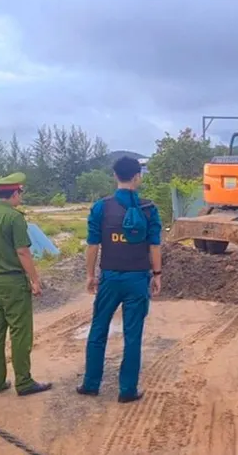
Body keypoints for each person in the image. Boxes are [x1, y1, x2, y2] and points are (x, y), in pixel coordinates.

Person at [77, 156, 163, 403]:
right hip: (138, 279)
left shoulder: (101, 208)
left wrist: (90, 275)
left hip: (110, 278)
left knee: (98, 329)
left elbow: (93, 245)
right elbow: (155, 246)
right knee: (132, 335)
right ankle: (127, 390)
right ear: (138, 177)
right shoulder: (149, 209)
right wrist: (157, 275)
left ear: (115, 176)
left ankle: (91, 384)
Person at [0, 172, 52, 396]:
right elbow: (23, 252)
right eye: (20, 193)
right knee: (20, 331)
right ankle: (24, 382)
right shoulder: (14, 218)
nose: (21, 197)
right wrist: (34, 280)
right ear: (15, 193)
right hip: (13, 280)